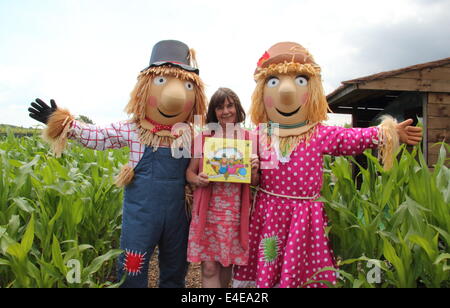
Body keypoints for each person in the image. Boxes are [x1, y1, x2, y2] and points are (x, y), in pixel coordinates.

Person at [232, 42, 423, 288]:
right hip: (269, 213)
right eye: (273, 82)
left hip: (304, 218)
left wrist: (389, 133)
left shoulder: (318, 133)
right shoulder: (258, 134)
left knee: (301, 269)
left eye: (301, 81)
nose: (286, 92)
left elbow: (352, 138)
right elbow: (237, 161)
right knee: (269, 262)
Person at [27, 40, 208, 288]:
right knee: (132, 266)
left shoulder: (190, 134)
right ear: (145, 87)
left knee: (175, 267)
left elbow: (212, 160)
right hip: (141, 215)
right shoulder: (134, 130)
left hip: (179, 214)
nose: (175, 96)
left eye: (187, 85)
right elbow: (97, 137)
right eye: (162, 82)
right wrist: (61, 122)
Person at [186, 88, 259, 288]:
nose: (225, 111)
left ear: (237, 108)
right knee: (209, 268)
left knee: (227, 264)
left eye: (229, 105)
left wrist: (254, 169)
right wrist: (197, 179)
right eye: (220, 107)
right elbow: (189, 173)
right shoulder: (204, 138)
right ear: (214, 112)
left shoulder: (249, 138)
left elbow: (254, 182)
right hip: (208, 212)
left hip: (235, 212)